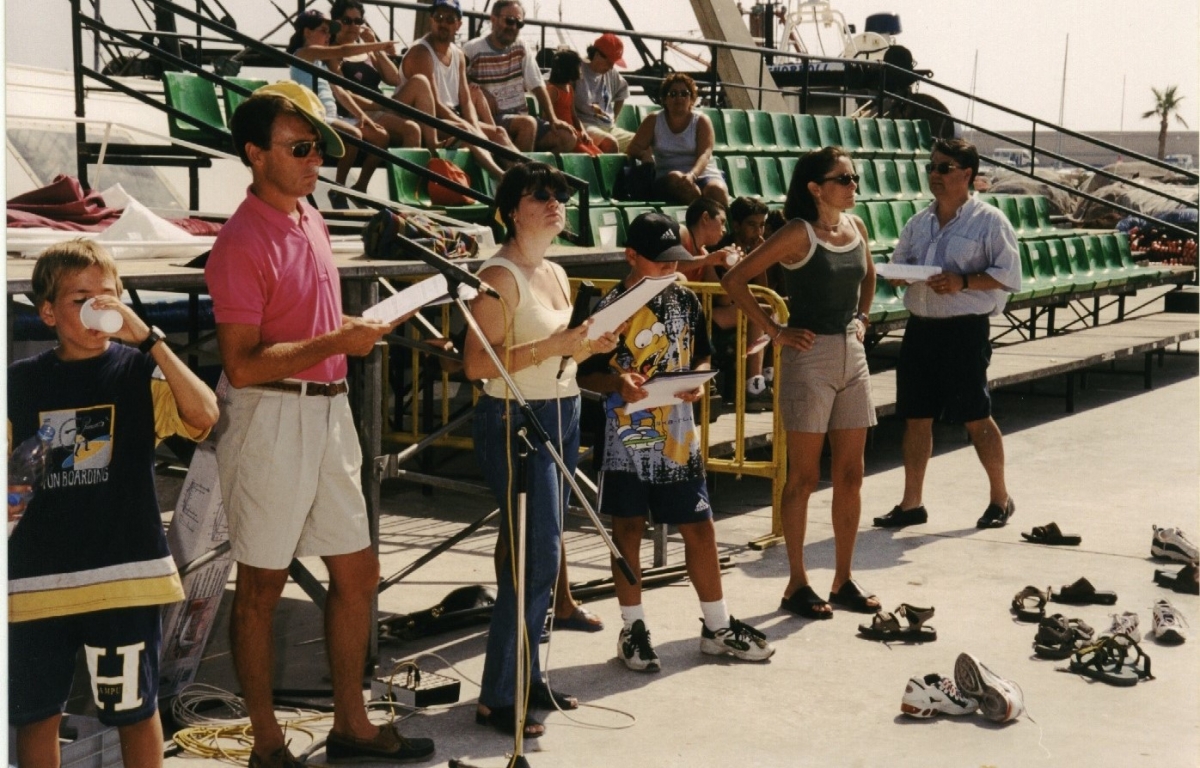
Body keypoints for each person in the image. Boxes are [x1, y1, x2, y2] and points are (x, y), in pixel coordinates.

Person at [205, 84, 433, 767]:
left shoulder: (310, 218)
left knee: (358, 573)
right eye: (299, 148)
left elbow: (317, 336)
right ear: (255, 154)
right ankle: (268, 744)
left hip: (329, 411)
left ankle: (351, 725)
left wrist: (341, 343)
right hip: (271, 416)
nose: (315, 162)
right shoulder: (240, 242)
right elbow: (241, 366)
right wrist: (339, 340)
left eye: (318, 150)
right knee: (262, 588)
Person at [8, 240, 219, 768]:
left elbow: (205, 414)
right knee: (35, 715)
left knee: (134, 709)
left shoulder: (139, 373)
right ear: (48, 312)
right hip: (36, 584)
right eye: (81, 296)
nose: (97, 306)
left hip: (125, 579)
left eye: (109, 295)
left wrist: (150, 339)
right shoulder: (18, 383)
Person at [462, 161, 620, 738]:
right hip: (514, 420)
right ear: (510, 210)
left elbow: (559, 355)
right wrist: (559, 343)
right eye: (539, 195)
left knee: (541, 559)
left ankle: (527, 677)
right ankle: (500, 695)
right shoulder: (499, 275)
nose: (555, 203)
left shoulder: (555, 271)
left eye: (558, 194)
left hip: (562, 407)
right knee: (535, 558)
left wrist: (587, 346)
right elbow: (478, 365)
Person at [577, 212, 774, 672]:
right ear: (631, 256)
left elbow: (701, 350)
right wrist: (617, 381)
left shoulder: (685, 299)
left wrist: (698, 383)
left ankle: (717, 626)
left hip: (679, 437)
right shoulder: (612, 305)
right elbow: (586, 371)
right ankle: (634, 628)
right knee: (627, 528)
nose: (671, 271)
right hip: (626, 435)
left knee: (700, 527)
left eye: (676, 263)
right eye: (660, 263)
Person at [722, 146, 881, 619]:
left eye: (855, 177)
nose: (854, 185)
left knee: (852, 474)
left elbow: (868, 276)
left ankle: (843, 579)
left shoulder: (856, 227)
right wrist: (774, 330)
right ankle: (796, 583)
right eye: (844, 178)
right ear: (815, 187)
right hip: (807, 358)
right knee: (805, 476)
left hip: (851, 354)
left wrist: (864, 319)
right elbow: (735, 279)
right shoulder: (797, 232)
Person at [872, 138, 1022, 531]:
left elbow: (1008, 277)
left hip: (964, 332)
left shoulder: (990, 222)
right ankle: (912, 503)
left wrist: (963, 282)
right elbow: (898, 263)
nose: (935, 175)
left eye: (945, 168)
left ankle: (1000, 499)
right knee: (916, 418)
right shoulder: (918, 222)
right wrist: (898, 275)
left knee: (976, 416)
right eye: (932, 167)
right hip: (921, 329)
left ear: (967, 174)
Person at [286, 9, 404, 207]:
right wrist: (380, 45)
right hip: (316, 118)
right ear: (307, 32)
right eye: (324, 30)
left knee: (380, 136)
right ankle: (338, 188)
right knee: (354, 135)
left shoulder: (319, 63)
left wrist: (362, 116)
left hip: (332, 117)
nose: (328, 36)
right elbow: (342, 51)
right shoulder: (303, 54)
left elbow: (341, 93)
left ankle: (360, 187)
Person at [400, 0, 511, 178]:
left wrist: (474, 126)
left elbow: (465, 99)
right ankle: (501, 175)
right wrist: (469, 128)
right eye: (439, 17)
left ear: (458, 25)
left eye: (450, 19)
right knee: (467, 132)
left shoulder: (458, 54)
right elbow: (434, 105)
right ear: (431, 20)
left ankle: (524, 175)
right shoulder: (421, 52)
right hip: (426, 119)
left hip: (450, 117)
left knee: (499, 132)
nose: (443, 23)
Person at [463, 0, 577, 153]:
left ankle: (520, 160)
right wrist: (480, 92)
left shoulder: (521, 47)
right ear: (493, 19)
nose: (513, 27)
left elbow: (537, 84)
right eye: (509, 21)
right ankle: (519, 171)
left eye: (519, 23)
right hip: (493, 120)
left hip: (520, 118)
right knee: (528, 125)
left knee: (568, 137)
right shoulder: (472, 49)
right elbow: (457, 78)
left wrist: (553, 119)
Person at [326, 0, 440, 150]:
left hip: (381, 107)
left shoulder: (366, 50)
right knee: (412, 129)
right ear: (336, 22)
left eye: (358, 21)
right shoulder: (332, 53)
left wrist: (375, 46)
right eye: (347, 21)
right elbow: (343, 95)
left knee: (420, 81)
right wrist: (378, 105)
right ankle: (412, 172)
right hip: (359, 111)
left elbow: (394, 79)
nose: (353, 26)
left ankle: (433, 144)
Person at [626, 73, 729, 207]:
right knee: (677, 178)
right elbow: (633, 148)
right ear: (665, 99)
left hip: (702, 174)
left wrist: (692, 175)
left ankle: (724, 226)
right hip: (668, 177)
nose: (678, 98)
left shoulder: (701, 121)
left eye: (684, 93)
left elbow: (705, 154)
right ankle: (700, 218)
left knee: (717, 190)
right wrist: (645, 155)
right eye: (673, 94)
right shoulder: (654, 120)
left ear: (692, 99)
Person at [573, 33, 635, 152]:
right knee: (610, 143)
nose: (611, 67)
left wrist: (614, 117)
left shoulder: (611, 74)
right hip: (585, 125)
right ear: (597, 55)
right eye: (609, 62)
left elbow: (623, 90)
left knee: (642, 143)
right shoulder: (577, 68)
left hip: (608, 127)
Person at [545, 48, 606, 154]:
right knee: (590, 157)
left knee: (599, 155)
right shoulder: (552, 90)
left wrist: (583, 132)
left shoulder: (570, 89)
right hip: (565, 135)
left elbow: (574, 116)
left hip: (575, 133)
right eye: (578, 66)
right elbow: (545, 118)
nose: (581, 70)